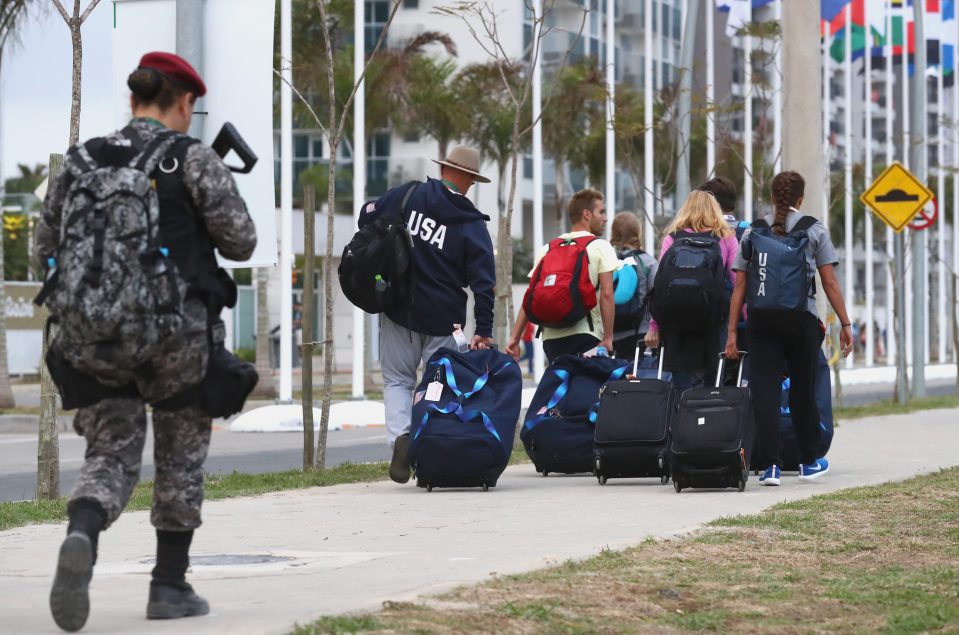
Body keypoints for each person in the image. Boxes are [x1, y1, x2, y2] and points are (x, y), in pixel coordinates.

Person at [38, 52, 257, 631]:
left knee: (109, 453)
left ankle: (82, 532)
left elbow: (46, 253)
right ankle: (168, 587)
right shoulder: (193, 159)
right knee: (181, 456)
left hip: (94, 340)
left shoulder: (80, 162)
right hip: (176, 338)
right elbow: (241, 243)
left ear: (135, 99)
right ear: (183, 102)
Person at [358, 145, 496, 485]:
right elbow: (484, 284)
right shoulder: (471, 223)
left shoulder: (408, 195)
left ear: (445, 169)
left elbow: (366, 215)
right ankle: (429, 450)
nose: (471, 187)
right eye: (472, 181)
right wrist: (485, 328)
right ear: (466, 177)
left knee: (397, 381)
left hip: (398, 310)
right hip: (445, 320)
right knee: (438, 386)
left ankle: (400, 439)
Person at [725, 170, 853, 486]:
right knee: (803, 389)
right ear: (800, 198)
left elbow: (739, 286)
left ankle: (770, 466)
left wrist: (731, 332)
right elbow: (829, 281)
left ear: (772, 197)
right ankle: (809, 461)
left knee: (765, 392)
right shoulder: (814, 230)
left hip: (761, 322)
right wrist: (845, 323)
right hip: (802, 321)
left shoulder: (752, 232)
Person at [506, 188, 619, 364]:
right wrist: (609, 338)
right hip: (586, 335)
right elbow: (607, 294)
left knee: (560, 388)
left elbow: (530, 296)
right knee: (586, 389)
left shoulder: (548, 248)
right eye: (601, 212)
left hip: (551, 338)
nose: (605, 218)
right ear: (587, 214)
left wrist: (514, 338)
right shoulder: (600, 246)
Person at [645, 190, 739, 389]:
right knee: (712, 383)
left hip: (676, 321)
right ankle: (708, 417)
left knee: (681, 383)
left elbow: (659, 285)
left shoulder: (672, 238)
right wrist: (740, 322)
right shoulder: (725, 237)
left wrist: (654, 326)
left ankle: (681, 417)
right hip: (712, 322)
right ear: (715, 210)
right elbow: (738, 281)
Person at [609, 211, 657, 360]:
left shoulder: (607, 262)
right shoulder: (648, 262)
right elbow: (657, 297)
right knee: (635, 381)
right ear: (637, 232)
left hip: (611, 335)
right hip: (640, 335)